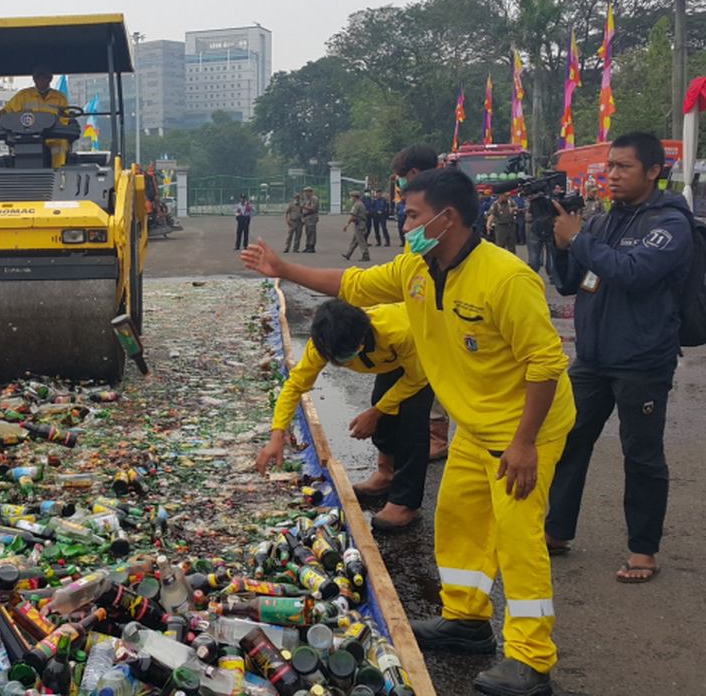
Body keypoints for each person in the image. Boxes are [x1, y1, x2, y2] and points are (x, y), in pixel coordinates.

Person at [242, 167, 575, 696]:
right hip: (475, 423)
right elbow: (350, 283)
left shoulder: (506, 279)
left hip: (523, 429)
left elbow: (545, 363)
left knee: (518, 539)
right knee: (458, 519)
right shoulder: (417, 269)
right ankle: (466, 622)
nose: (405, 221)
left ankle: (531, 659)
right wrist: (282, 267)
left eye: (414, 213)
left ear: (448, 217)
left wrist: (525, 443)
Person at [545, 132, 693, 584]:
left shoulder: (671, 223)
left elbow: (634, 272)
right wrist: (556, 237)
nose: (611, 175)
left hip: (643, 359)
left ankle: (643, 550)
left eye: (623, 167)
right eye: (609, 166)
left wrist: (580, 239)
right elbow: (571, 282)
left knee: (642, 454)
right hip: (592, 357)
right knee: (567, 439)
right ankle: (556, 531)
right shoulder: (603, 222)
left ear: (653, 171)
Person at [256, 300, 433, 530]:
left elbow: (417, 378)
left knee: (411, 420)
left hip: (424, 353)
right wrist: (277, 434)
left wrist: (376, 412)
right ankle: (386, 474)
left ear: (361, 341)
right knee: (384, 409)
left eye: (342, 357)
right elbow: (295, 386)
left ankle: (405, 502)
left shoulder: (399, 332)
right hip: (392, 361)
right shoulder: (325, 343)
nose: (336, 363)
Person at [389, 142, 449, 459]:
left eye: (399, 178)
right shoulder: (431, 196)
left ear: (412, 174)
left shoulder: (438, 201)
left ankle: (437, 437)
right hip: (419, 289)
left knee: (435, 369)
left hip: (437, 295)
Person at [2, 65, 71, 167]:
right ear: (34, 79)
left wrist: (55, 129)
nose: (41, 80)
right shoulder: (22, 96)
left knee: (60, 143)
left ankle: (58, 173)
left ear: (50, 79)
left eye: (45, 77)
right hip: (26, 136)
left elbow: (65, 118)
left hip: (52, 136)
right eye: (38, 77)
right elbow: (7, 112)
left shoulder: (60, 98)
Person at [526, 192, 558, 286]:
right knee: (551, 255)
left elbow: (529, 215)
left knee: (534, 255)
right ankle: (552, 276)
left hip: (536, 229)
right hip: (549, 229)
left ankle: (532, 275)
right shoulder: (553, 201)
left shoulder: (533, 201)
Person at [341, 190, 369, 261]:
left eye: (352, 197)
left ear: (355, 197)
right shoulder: (361, 204)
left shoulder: (357, 204)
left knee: (360, 240)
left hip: (359, 224)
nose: (351, 199)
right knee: (355, 240)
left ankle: (365, 255)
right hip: (361, 223)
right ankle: (348, 254)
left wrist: (347, 225)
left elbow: (353, 216)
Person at [301, 187, 320, 252]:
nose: (305, 193)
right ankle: (308, 245)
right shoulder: (307, 199)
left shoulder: (314, 199)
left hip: (312, 217)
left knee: (311, 232)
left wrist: (303, 207)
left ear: (310, 192)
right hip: (307, 217)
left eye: (307, 192)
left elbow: (313, 208)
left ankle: (311, 246)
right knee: (308, 232)